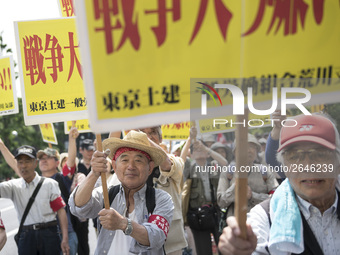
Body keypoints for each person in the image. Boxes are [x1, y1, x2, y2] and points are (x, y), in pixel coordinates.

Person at [218, 114, 340, 255]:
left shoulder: (263, 171)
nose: (307, 166)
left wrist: (253, 195)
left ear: (338, 163)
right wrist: (239, 247)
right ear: (284, 167)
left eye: (320, 154)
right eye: (294, 156)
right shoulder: (265, 218)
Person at [69, 130, 174, 255]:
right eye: (124, 160)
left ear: (150, 168)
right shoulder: (106, 194)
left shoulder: (161, 199)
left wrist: (123, 223)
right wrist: (94, 173)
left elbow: (156, 237)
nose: (131, 166)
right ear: (114, 166)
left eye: (138, 160)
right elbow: (78, 207)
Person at [0, 145, 69, 255]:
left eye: (27, 161)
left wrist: (65, 238)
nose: (23, 166)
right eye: (20, 162)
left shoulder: (49, 184)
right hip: (26, 236)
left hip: (49, 234)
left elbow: (61, 211)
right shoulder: (13, 186)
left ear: (35, 163)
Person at [139, 126, 188, 255]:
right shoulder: (133, 165)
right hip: (141, 238)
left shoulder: (175, 161)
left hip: (170, 242)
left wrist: (141, 137)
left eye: (153, 132)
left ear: (161, 138)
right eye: (143, 133)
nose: (148, 136)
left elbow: (166, 164)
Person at [217, 134, 278, 219]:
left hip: (262, 221)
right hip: (236, 223)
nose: (249, 150)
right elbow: (221, 202)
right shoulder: (228, 172)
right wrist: (235, 189)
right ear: (235, 152)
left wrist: (253, 196)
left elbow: (276, 199)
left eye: (252, 147)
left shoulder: (265, 171)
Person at [37, 145, 78, 255]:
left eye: (48, 158)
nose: (43, 161)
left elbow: (70, 163)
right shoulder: (33, 182)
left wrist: (72, 139)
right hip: (42, 236)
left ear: (57, 162)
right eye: (41, 158)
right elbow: (17, 166)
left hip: (65, 235)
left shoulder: (62, 178)